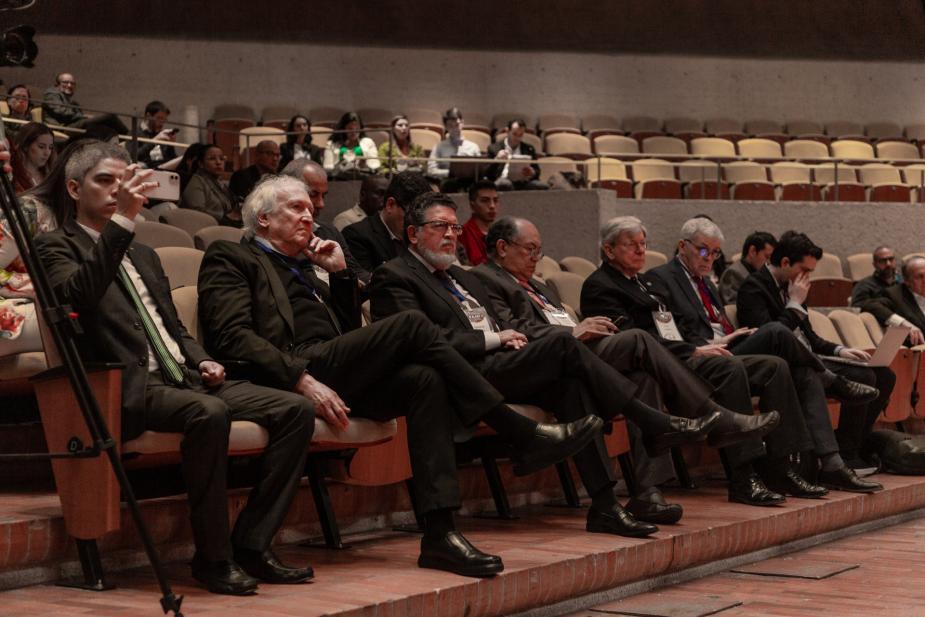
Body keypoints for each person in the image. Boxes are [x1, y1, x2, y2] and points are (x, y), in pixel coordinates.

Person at [197, 175, 602, 577]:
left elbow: (346, 331)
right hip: (290, 370)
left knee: (425, 379)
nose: (310, 216)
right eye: (296, 208)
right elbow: (232, 336)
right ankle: (516, 430)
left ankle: (440, 535)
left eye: (309, 208)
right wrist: (300, 378)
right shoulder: (231, 256)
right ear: (263, 219)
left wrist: (340, 275)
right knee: (411, 323)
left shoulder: (310, 264)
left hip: (332, 366)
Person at [369, 192, 776, 533]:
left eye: (455, 228)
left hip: (515, 358)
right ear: (413, 233)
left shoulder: (459, 278)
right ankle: (657, 420)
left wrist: (521, 336)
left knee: (575, 384)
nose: (451, 235)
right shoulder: (397, 276)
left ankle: (605, 504)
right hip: (472, 371)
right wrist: (498, 337)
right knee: (578, 347)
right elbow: (422, 340)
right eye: (440, 227)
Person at [33, 141, 315, 595]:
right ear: (73, 189)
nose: (116, 190)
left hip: (182, 376)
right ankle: (213, 558)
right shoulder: (54, 247)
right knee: (210, 413)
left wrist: (202, 358)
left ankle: (252, 543)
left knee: (296, 410)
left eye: (123, 181)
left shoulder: (144, 254)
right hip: (127, 385)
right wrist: (122, 222)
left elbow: (172, 327)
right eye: (104, 181)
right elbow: (79, 297)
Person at [471, 215, 779, 522]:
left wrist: (582, 330)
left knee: (643, 378)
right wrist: (574, 331)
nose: (536, 258)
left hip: (577, 352)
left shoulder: (539, 286)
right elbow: (512, 327)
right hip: (547, 358)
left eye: (539, 251)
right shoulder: (486, 279)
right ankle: (713, 415)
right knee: (637, 339)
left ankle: (647, 493)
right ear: (502, 247)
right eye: (530, 250)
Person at [581, 216, 831, 504]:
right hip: (663, 363)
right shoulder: (601, 285)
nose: (640, 250)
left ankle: (783, 469)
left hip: (682, 353)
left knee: (775, 366)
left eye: (643, 244)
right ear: (609, 250)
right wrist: (694, 349)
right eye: (631, 245)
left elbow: (672, 328)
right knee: (730, 367)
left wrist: (709, 343)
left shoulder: (645, 284)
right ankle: (743, 477)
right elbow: (632, 342)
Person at [736, 230, 894, 486]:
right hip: (784, 366)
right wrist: (794, 304)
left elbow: (810, 337)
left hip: (811, 357)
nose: (807, 276)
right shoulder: (753, 287)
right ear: (785, 262)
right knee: (817, 374)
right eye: (804, 270)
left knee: (879, 374)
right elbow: (771, 337)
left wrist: (840, 350)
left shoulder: (794, 286)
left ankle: (849, 451)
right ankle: (834, 462)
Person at [281, 159, 369, 283]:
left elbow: (357, 273)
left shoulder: (329, 232)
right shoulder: (274, 238)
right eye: (313, 194)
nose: (321, 204)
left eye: (323, 196)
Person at [343, 170, 431, 275]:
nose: (417, 223)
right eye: (411, 215)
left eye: (421, 217)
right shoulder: (357, 236)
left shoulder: (421, 234)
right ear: (390, 204)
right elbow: (366, 281)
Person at [863, 255, 925, 346]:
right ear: (907, 281)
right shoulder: (896, 294)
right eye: (920, 276)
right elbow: (870, 305)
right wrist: (902, 323)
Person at [41, 72, 128, 134]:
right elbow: (61, 112)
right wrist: (82, 117)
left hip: (72, 124)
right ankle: (128, 137)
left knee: (104, 125)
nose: (69, 85)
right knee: (109, 116)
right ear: (57, 84)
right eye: (65, 82)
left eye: (72, 83)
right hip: (62, 127)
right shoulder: (51, 93)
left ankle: (126, 138)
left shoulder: (72, 102)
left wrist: (84, 116)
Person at [181, 144, 240, 226]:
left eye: (221, 159)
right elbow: (197, 212)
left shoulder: (221, 184)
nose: (218, 162)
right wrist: (227, 217)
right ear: (201, 164)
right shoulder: (196, 180)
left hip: (226, 226)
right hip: (206, 228)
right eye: (212, 158)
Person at [719, 231, 776, 304]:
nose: (770, 262)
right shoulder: (733, 274)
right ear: (752, 251)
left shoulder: (761, 272)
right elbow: (733, 306)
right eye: (767, 257)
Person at [485, 119, 543, 191]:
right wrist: (496, 159)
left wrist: (532, 172)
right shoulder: (494, 148)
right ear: (507, 131)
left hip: (524, 182)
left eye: (520, 135)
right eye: (515, 134)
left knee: (542, 186)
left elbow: (537, 171)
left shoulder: (529, 148)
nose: (517, 138)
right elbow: (486, 173)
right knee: (504, 184)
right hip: (503, 180)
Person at [426, 107, 481, 181]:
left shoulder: (473, 147)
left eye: (457, 125)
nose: (454, 128)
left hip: (469, 183)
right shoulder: (439, 147)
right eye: (450, 125)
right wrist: (451, 173)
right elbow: (431, 170)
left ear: (462, 123)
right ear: (446, 127)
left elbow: (479, 171)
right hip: (447, 182)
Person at [322, 111, 380, 175]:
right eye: (350, 128)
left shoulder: (368, 142)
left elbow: (375, 166)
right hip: (339, 178)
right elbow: (327, 168)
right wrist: (340, 166)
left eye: (357, 128)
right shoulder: (331, 144)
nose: (354, 132)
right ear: (343, 128)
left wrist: (365, 165)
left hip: (362, 178)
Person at [457, 180, 499, 266]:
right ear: (472, 205)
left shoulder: (500, 232)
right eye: (485, 200)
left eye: (495, 200)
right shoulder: (464, 233)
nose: (492, 206)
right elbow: (477, 265)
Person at [130, 100, 178, 169]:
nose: (162, 122)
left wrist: (171, 145)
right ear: (148, 116)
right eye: (159, 118)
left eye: (164, 119)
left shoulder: (161, 134)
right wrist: (154, 141)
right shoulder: (135, 133)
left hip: (164, 168)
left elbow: (170, 158)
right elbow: (132, 157)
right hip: (149, 169)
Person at [851, 245, 902, 312]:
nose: (888, 264)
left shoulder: (903, 282)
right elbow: (857, 308)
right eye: (883, 261)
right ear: (874, 265)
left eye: (891, 259)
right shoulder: (864, 285)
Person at [11, 122, 56, 193]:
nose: (47, 153)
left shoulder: (50, 176)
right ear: (26, 146)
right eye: (41, 147)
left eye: (50, 148)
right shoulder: (11, 175)